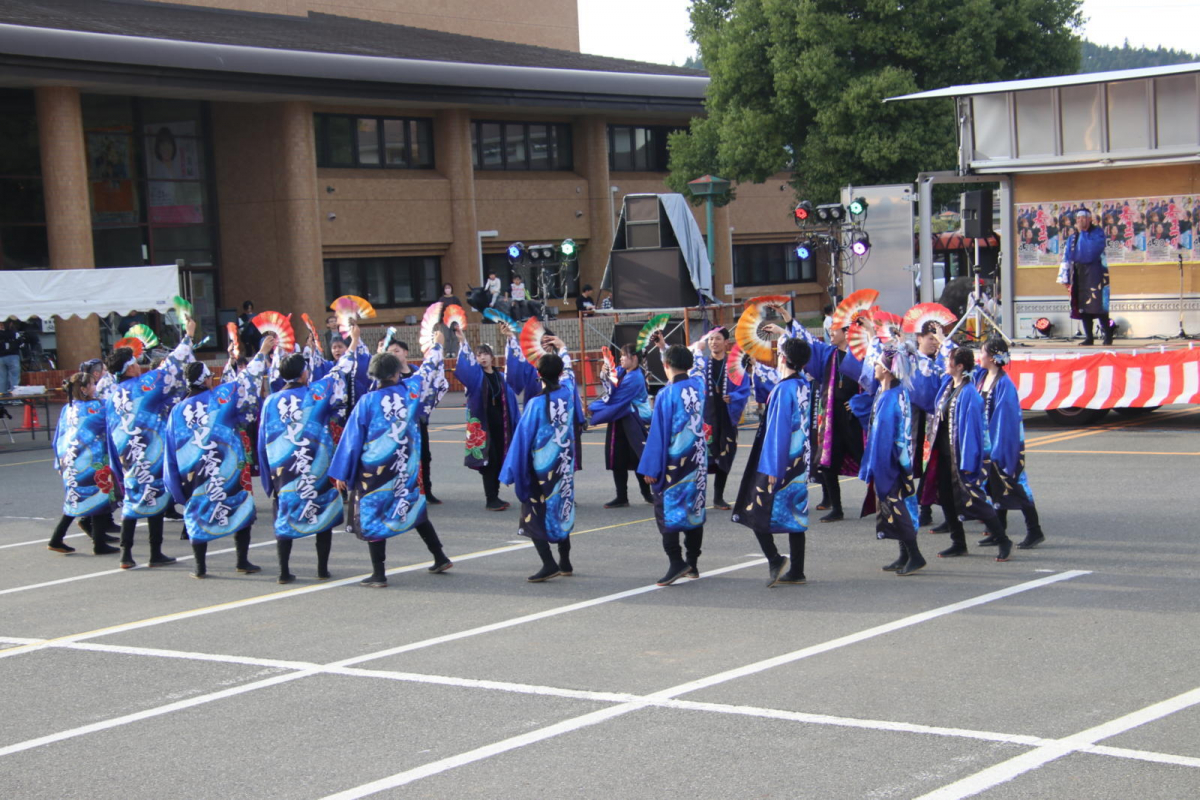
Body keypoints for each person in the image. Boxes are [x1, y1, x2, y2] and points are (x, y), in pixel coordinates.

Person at [329, 343, 453, 588]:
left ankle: (379, 573)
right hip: (405, 465)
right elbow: (427, 370)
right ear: (397, 373)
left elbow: (352, 440)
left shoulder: (367, 401)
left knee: (374, 514)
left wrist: (342, 472)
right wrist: (437, 343)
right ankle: (439, 555)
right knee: (413, 507)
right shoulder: (410, 391)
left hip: (374, 470)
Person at [165, 335, 274, 578]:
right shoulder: (219, 397)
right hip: (226, 470)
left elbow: (170, 449)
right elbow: (246, 380)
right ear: (204, 379)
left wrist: (174, 483)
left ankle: (200, 567)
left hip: (194, 472)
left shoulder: (177, 410)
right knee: (240, 510)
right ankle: (242, 560)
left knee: (197, 513)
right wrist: (263, 352)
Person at [257, 326, 360, 584]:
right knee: (322, 515)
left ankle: (283, 571)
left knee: (286, 515)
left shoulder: (271, 401)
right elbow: (341, 370)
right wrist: (354, 341)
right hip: (317, 465)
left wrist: (268, 478)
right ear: (304, 373)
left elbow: (262, 441)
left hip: (284, 470)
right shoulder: (316, 392)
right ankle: (322, 569)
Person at [106, 317, 196, 569]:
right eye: (135, 363)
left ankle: (126, 555)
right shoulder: (142, 385)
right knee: (155, 495)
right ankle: (155, 552)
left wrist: (117, 463)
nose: (139, 367)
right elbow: (171, 368)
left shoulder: (112, 394)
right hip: (149, 449)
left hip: (127, 454)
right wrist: (188, 337)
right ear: (129, 368)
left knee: (134, 499)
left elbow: (109, 430)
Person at [732, 336, 813, 587]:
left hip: (779, 462)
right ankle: (797, 569)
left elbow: (777, 431)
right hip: (799, 460)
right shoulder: (804, 385)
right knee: (795, 515)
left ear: (784, 358)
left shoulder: (784, 389)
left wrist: (771, 468)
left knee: (754, 508)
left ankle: (774, 558)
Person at [776, 304, 866, 522]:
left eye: (834, 330)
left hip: (856, 419)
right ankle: (837, 507)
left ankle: (885, 502)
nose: (829, 333)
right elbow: (808, 342)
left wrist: (859, 402)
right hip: (832, 417)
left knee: (868, 460)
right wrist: (788, 319)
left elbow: (875, 384)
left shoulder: (863, 355)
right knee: (827, 463)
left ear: (846, 332)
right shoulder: (829, 354)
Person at [499, 345, 578, 582]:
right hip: (563, 464)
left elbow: (522, 440)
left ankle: (548, 563)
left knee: (533, 514)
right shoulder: (568, 394)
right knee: (560, 507)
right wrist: (563, 349)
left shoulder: (535, 404)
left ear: (538, 376)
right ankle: (565, 561)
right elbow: (571, 375)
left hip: (540, 469)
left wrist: (510, 472)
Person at [927, 347, 1013, 562]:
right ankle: (958, 542)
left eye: (949, 360)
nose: (946, 363)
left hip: (962, 457)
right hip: (945, 455)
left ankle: (1002, 539)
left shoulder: (969, 394)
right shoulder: (948, 386)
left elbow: (974, 432)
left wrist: (970, 460)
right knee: (946, 498)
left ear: (959, 366)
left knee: (975, 501)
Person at [637, 344, 706, 586]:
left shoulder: (667, 394)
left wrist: (650, 468)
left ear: (666, 365)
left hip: (674, 464)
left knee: (667, 511)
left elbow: (658, 435)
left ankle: (676, 562)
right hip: (697, 461)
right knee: (694, 509)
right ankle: (693, 563)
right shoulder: (699, 386)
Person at [660, 327, 749, 510]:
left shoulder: (734, 367)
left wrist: (734, 398)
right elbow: (678, 366)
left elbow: (745, 389)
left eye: (717, 339)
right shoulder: (700, 365)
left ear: (726, 343)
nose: (713, 343)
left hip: (726, 416)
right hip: (706, 417)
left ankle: (718, 497)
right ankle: (695, 495)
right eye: (710, 340)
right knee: (701, 458)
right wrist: (663, 346)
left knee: (725, 455)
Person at [859, 340, 927, 576]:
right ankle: (904, 554)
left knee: (897, 508)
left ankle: (915, 555)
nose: (874, 368)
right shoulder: (894, 392)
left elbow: (884, 438)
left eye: (877, 364)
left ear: (887, 369)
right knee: (900, 506)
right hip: (900, 461)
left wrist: (878, 469)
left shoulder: (889, 398)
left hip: (891, 464)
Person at [976, 337, 1046, 550]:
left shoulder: (1004, 384)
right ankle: (999, 530)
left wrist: (998, 447)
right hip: (989, 442)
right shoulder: (983, 377)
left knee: (1015, 485)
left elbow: (1005, 420)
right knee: (995, 486)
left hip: (1004, 444)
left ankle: (1034, 530)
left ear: (993, 357)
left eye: (983, 352)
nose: (980, 356)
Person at [47, 372, 121, 556]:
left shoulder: (68, 408)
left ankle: (58, 539)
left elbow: (58, 437)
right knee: (96, 499)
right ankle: (98, 543)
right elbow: (113, 422)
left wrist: (58, 463)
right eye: (92, 384)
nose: (95, 387)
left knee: (76, 499)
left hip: (70, 461)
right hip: (91, 460)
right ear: (83, 389)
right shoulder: (96, 407)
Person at [454, 331, 520, 511]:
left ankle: (495, 496)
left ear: (492, 357)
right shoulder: (475, 377)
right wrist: (462, 341)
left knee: (499, 460)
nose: (482, 358)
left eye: (485, 354)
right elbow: (464, 368)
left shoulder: (500, 377)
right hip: (483, 427)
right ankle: (490, 499)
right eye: (478, 355)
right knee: (488, 462)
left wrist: (511, 339)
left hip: (501, 425)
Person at [385, 336, 449, 504]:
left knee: (424, 456)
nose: (394, 355)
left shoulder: (416, 372)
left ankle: (426, 490)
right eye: (390, 352)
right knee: (401, 458)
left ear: (405, 352)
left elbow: (435, 383)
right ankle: (405, 492)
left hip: (418, 421)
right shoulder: (389, 378)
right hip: (400, 426)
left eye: (397, 351)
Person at [588, 344, 653, 508]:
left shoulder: (635, 377)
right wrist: (605, 372)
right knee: (617, 458)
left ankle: (647, 494)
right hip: (620, 417)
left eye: (625, 356)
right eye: (621, 356)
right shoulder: (624, 371)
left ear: (635, 358)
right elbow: (611, 385)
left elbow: (615, 397)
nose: (622, 358)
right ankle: (621, 496)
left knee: (638, 457)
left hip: (633, 419)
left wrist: (595, 409)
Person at [1060, 208, 1112, 346]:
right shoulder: (1073, 237)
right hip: (1078, 273)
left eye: (1083, 218)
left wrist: (1083, 233)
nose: (1080, 220)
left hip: (1095, 272)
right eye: (1078, 218)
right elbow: (1066, 257)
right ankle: (1089, 337)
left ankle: (1107, 335)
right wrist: (1065, 277)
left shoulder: (1097, 233)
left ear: (1090, 219)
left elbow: (1090, 252)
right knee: (1082, 306)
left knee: (1098, 305)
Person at [0, 319, 24, 395]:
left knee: (2, 378)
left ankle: (2, 397)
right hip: (13, 356)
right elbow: (22, 344)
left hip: (1, 357)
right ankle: (15, 397)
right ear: (10, 324)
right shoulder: (14, 333)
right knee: (14, 377)